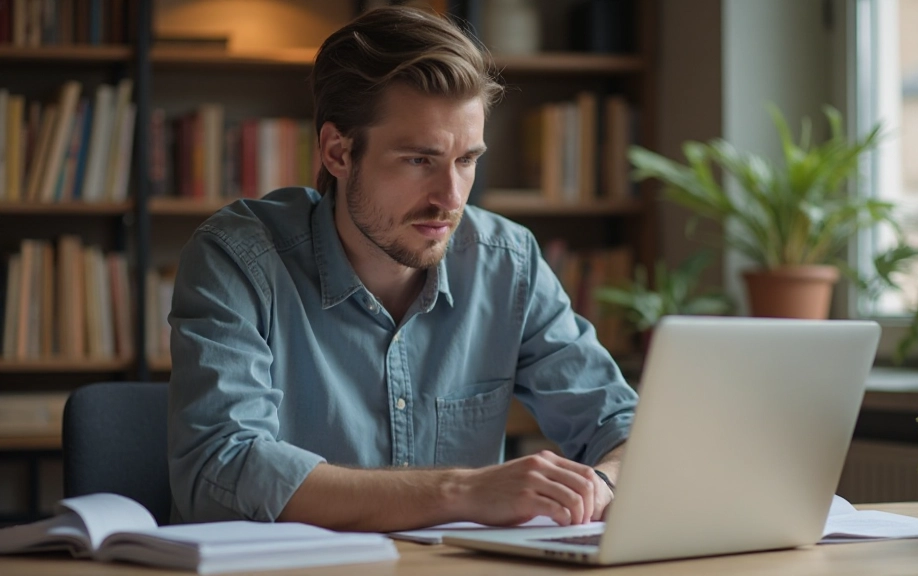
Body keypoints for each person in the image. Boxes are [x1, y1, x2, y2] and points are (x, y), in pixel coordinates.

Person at [167, 5, 638, 532]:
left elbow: (623, 426)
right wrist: (463, 491)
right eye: (419, 160)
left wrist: (604, 484)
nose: (451, 198)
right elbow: (225, 468)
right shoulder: (237, 259)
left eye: (466, 160)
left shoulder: (509, 263)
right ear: (337, 152)